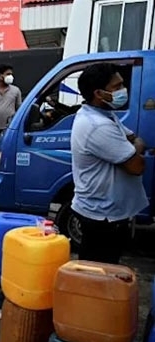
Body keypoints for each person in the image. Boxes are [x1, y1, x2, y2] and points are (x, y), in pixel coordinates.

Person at [71, 63, 148, 264]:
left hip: (108, 213)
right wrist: (133, 150)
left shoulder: (106, 115)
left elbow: (135, 139)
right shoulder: (98, 126)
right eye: (117, 86)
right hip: (102, 217)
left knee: (103, 271)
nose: (124, 90)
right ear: (99, 93)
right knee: (98, 273)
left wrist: (131, 148)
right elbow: (137, 166)